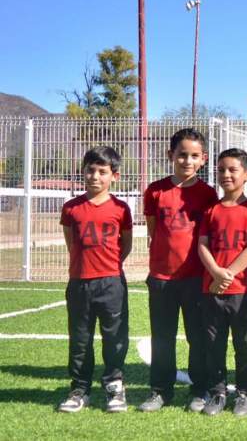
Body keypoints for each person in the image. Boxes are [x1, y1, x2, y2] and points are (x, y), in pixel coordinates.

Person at [139, 128, 218, 413]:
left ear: (203, 159)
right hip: (161, 277)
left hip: (195, 278)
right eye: (182, 154)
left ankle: (200, 389)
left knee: (197, 337)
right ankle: (160, 390)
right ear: (170, 155)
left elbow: (209, 236)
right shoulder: (155, 191)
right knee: (162, 337)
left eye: (194, 155)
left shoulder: (208, 194)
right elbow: (153, 230)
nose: (187, 160)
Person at [58, 146, 133, 413]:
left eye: (102, 172)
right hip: (79, 282)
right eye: (90, 170)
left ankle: (115, 387)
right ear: (83, 172)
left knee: (114, 338)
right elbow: (71, 243)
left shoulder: (121, 209)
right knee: (80, 338)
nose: (95, 177)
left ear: (115, 176)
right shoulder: (71, 208)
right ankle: (79, 389)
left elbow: (125, 246)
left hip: (111, 283)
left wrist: (107, 267)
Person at [197, 148, 247, 416]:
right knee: (214, 343)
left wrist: (227, 275)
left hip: (240, 290)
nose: (226, 174)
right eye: (221, 169)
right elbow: (202, 245)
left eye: (232, 169)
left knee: (243, 343)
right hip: (211, 288)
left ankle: (244, 393)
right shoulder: (210, 210)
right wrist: (215, 272)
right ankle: (217, 392)